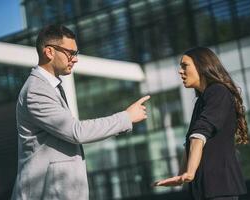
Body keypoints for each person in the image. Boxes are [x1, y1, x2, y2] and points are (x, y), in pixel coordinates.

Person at [11, 25, 150, 200]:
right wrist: (126, 117)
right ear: (49, 52)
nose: (75, 59)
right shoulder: (36, 91)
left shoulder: (48, 88)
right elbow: (77, 132)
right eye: (71, 53)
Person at [154, 47, 249, 200]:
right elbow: (191, 142)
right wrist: (181, 176)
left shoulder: (218, 91)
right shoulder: (202, 100)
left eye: (185, 65)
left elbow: (199, 135)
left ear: (202, 66)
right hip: (205, 190)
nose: (180, 71)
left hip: (219, 189)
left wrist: (189, 172)